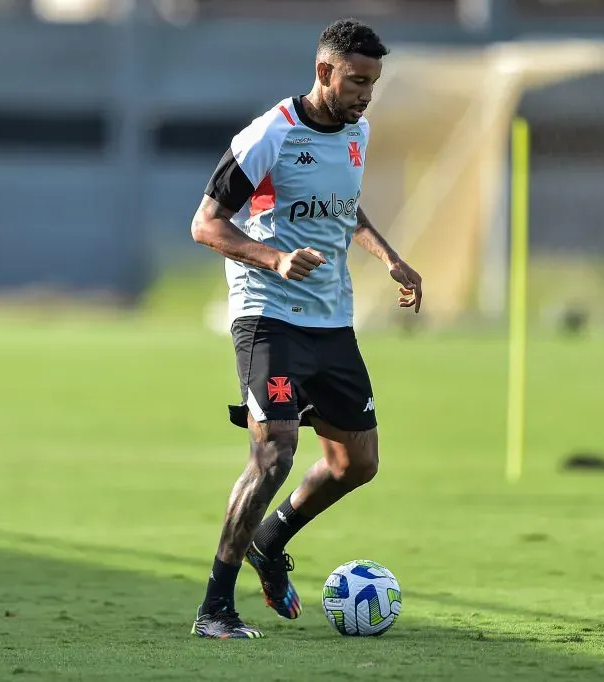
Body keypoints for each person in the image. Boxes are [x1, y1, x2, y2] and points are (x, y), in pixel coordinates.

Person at [188, 17, 423, 639]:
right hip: (268, 314)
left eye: (373, 82)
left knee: (357, 463)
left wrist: (389, 256)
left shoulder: (357, 131)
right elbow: (206, 224)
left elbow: (345, 208)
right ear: (325, 71)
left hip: (331, 319)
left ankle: (272, 539)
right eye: (356, 81)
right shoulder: (269, 135)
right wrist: (275, 259)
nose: (366, 94)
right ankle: (216, 607)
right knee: (274, 454)